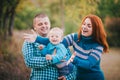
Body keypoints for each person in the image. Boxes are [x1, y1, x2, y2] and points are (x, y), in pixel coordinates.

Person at [24, 14, 109, 80]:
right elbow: (56, 42)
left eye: (89, 26)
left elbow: (89, 64)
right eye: (84, 24)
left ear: (95, 29)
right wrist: (37, 39)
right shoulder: (75, 37)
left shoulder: (98, 46)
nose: (84, 27)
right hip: (78, 77)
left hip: (93, 77)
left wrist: (73, 60)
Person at [22, 13, 76, 80]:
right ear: (35, 27)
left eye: (46, 23)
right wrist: (51, 59)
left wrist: (67, 78)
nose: (44, 26)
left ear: (50, 25)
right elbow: (29, 61)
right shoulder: (30, 41)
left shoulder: (60, 41)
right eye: (40, 24)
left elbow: (70, 63)